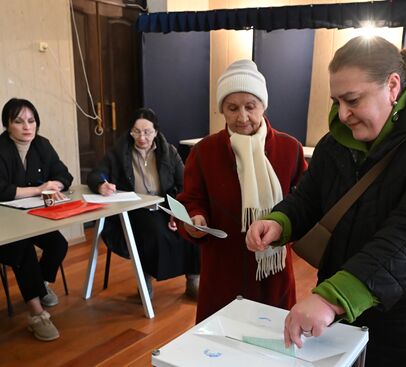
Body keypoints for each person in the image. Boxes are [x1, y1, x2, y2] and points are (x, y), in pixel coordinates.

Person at [246, 36, 406, 366]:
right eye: (336, 101)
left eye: (352, 100)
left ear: (392, 85)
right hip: (352, 303)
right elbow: (310, 197)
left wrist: (332, 299)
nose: (343, 114)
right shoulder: (337, 143)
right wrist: (280, 221)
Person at [176, 59, 308, 323]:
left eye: (250, 106)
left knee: (271, 345)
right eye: (232, 108)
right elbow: (191, 200)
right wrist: (194, 219)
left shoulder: (289, 148)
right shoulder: (205, 151)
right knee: (220, 345)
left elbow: (305, 200)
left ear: (263, 106)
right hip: (222, 266)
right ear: (221, 110)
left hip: (273, 269)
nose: (242, 117)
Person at [87, 108, 200, 299]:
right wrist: (101, 185)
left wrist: (177, 210)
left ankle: (193, 280)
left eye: (147, 132)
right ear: (130, 131)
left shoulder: (169, 151)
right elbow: (96, 174)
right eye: (136, 131)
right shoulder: (119, 152)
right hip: (135, 208)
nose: (142, 137)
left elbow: (185, 182)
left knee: (192, 227)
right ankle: (144, 281)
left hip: (165, 204)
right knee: (153, 231)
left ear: (156, 132)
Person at [0, 98, 73, 341]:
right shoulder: (0, 147)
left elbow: (64, 175)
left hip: (32, 215)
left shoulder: (42, 145)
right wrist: (38, 189)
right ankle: (36, 314)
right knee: (23, 250)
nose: (27, 127)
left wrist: (55, 185)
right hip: (4, 224)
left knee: (58, 244)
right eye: (19, 121)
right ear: (7, 125)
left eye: (31, 121)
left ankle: (38, 287)